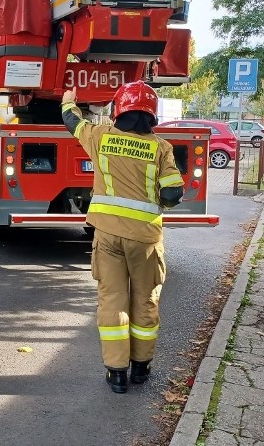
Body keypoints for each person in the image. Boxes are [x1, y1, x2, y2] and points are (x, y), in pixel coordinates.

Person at [61, 81, 184, 393]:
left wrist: (68, 100)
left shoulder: (101, 137)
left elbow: (72, 122)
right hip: (145, 239)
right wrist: (160, 200)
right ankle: (141, 368)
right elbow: (172, 192)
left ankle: (117, 374)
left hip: (108, 236)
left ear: (119, 110)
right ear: (152, 115)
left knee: (112, 299)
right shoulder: (161, 148)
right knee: (145, 299)